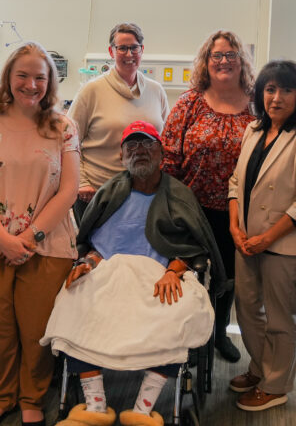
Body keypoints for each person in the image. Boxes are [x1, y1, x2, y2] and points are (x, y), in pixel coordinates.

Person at [43, 121, 221, 426]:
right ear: (122, 156)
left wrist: (175, 270)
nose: (140, 151)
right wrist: (87, 263)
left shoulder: (179, 195)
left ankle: (142, 409)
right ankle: (95, 405)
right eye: (132, 146)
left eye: (147, 144)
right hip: (110, 272)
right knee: (72, 303)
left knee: (178, 313)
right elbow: (95, 244)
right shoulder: (109, 192)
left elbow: (194, 247)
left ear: (161, 153)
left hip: (158, 275)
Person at [0, 41, 79, 426]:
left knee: (36, 330)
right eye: (23, 76)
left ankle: (32, 398)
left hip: (48, 244)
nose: (31, 85)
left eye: (39, 77)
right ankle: (3, 396)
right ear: (8, 79)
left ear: (50, 82)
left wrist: (28, 239)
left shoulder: (63, 128)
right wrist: (4, 239)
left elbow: (68, 191)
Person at [226, 61, 296, 412]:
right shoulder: (253, 129)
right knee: (247, 310)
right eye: (270, 89)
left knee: (280, 317)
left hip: (284, 245)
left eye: (286, 90)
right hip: (246, 238)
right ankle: (260, 367)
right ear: (260, 94)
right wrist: (234, 226)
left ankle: (276, 385)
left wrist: (266, 238)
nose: (276, 97)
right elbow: (236, 182)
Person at [160, 30, 255, 363]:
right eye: (217, 55)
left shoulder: (256, 103)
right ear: (206, 61)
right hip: (192, 208)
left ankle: (219, 334)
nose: (224, 61)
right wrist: (169, 205)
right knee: (188, 272)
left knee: (228, 278)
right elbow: (169, 155)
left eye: (231, 55)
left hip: (238, 210)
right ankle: (189, 335)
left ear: (241, 61)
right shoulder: (190, 103)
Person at [68, 22, 168, 222]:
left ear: (142, 50)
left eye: (134, 48)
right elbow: (68, 141)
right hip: (97, 193)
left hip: (144, 193)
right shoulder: (91, 91)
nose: (129, 54)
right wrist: (82, 182)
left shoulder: (156, 91)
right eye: (122, 48)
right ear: (111, 51)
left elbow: (165, 140)